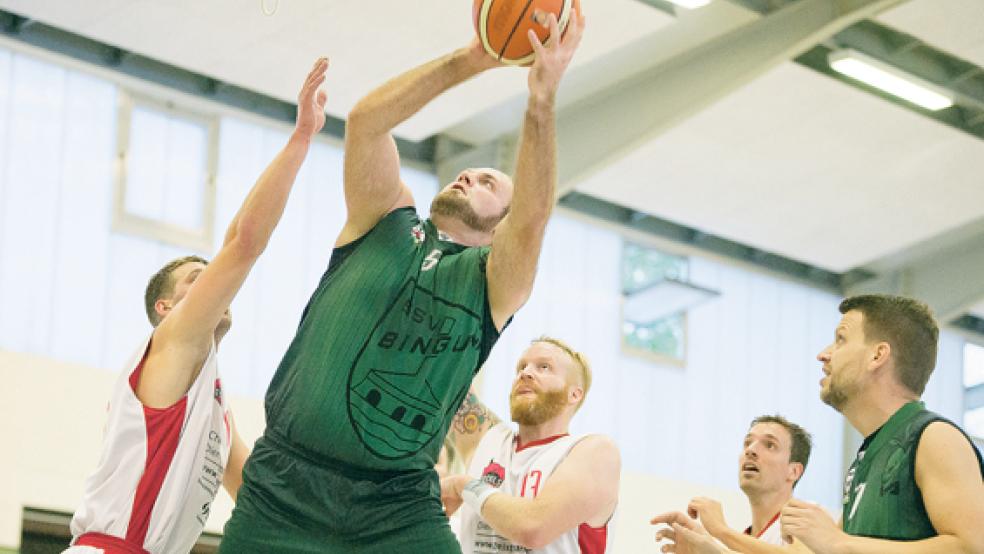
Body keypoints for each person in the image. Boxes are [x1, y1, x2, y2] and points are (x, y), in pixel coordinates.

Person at [219, 11, 587, 553]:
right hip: (284, 485)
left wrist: (541, 100)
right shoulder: (385, 221)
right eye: (470, 171)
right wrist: (475, 58)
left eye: (488, 182)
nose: (468, 175)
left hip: (398, 507)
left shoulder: (493, 282)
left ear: (501, 228)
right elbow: (368, 121)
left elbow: (531, 217)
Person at [64, 58, 330, 554]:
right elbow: (245, 241)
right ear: (166, 308)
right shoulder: (172, 342)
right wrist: (301, 138)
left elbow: (258, 496)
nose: (211, 281)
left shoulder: (212, 406)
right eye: (196, 277)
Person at [781, 294, 984, 554]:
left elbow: (972, 547)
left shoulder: (935, 437)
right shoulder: (866, 460)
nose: (824, 354)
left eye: (840, 339)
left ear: (877, 355)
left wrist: (836, 541)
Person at [441, 337, 620, 553]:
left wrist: (463, 486)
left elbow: (533, 529)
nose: (525, 373)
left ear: (575, 393)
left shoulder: (594, 452)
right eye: (521, 367)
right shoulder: (487, 438)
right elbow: (442, 373)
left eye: (544, 367)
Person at [652, 415, 814, 553]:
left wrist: (721, 531)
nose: (751, 450)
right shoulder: (744, 541)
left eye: (770, 445)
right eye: (747, 442)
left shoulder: (808, 517)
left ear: (794, 471)